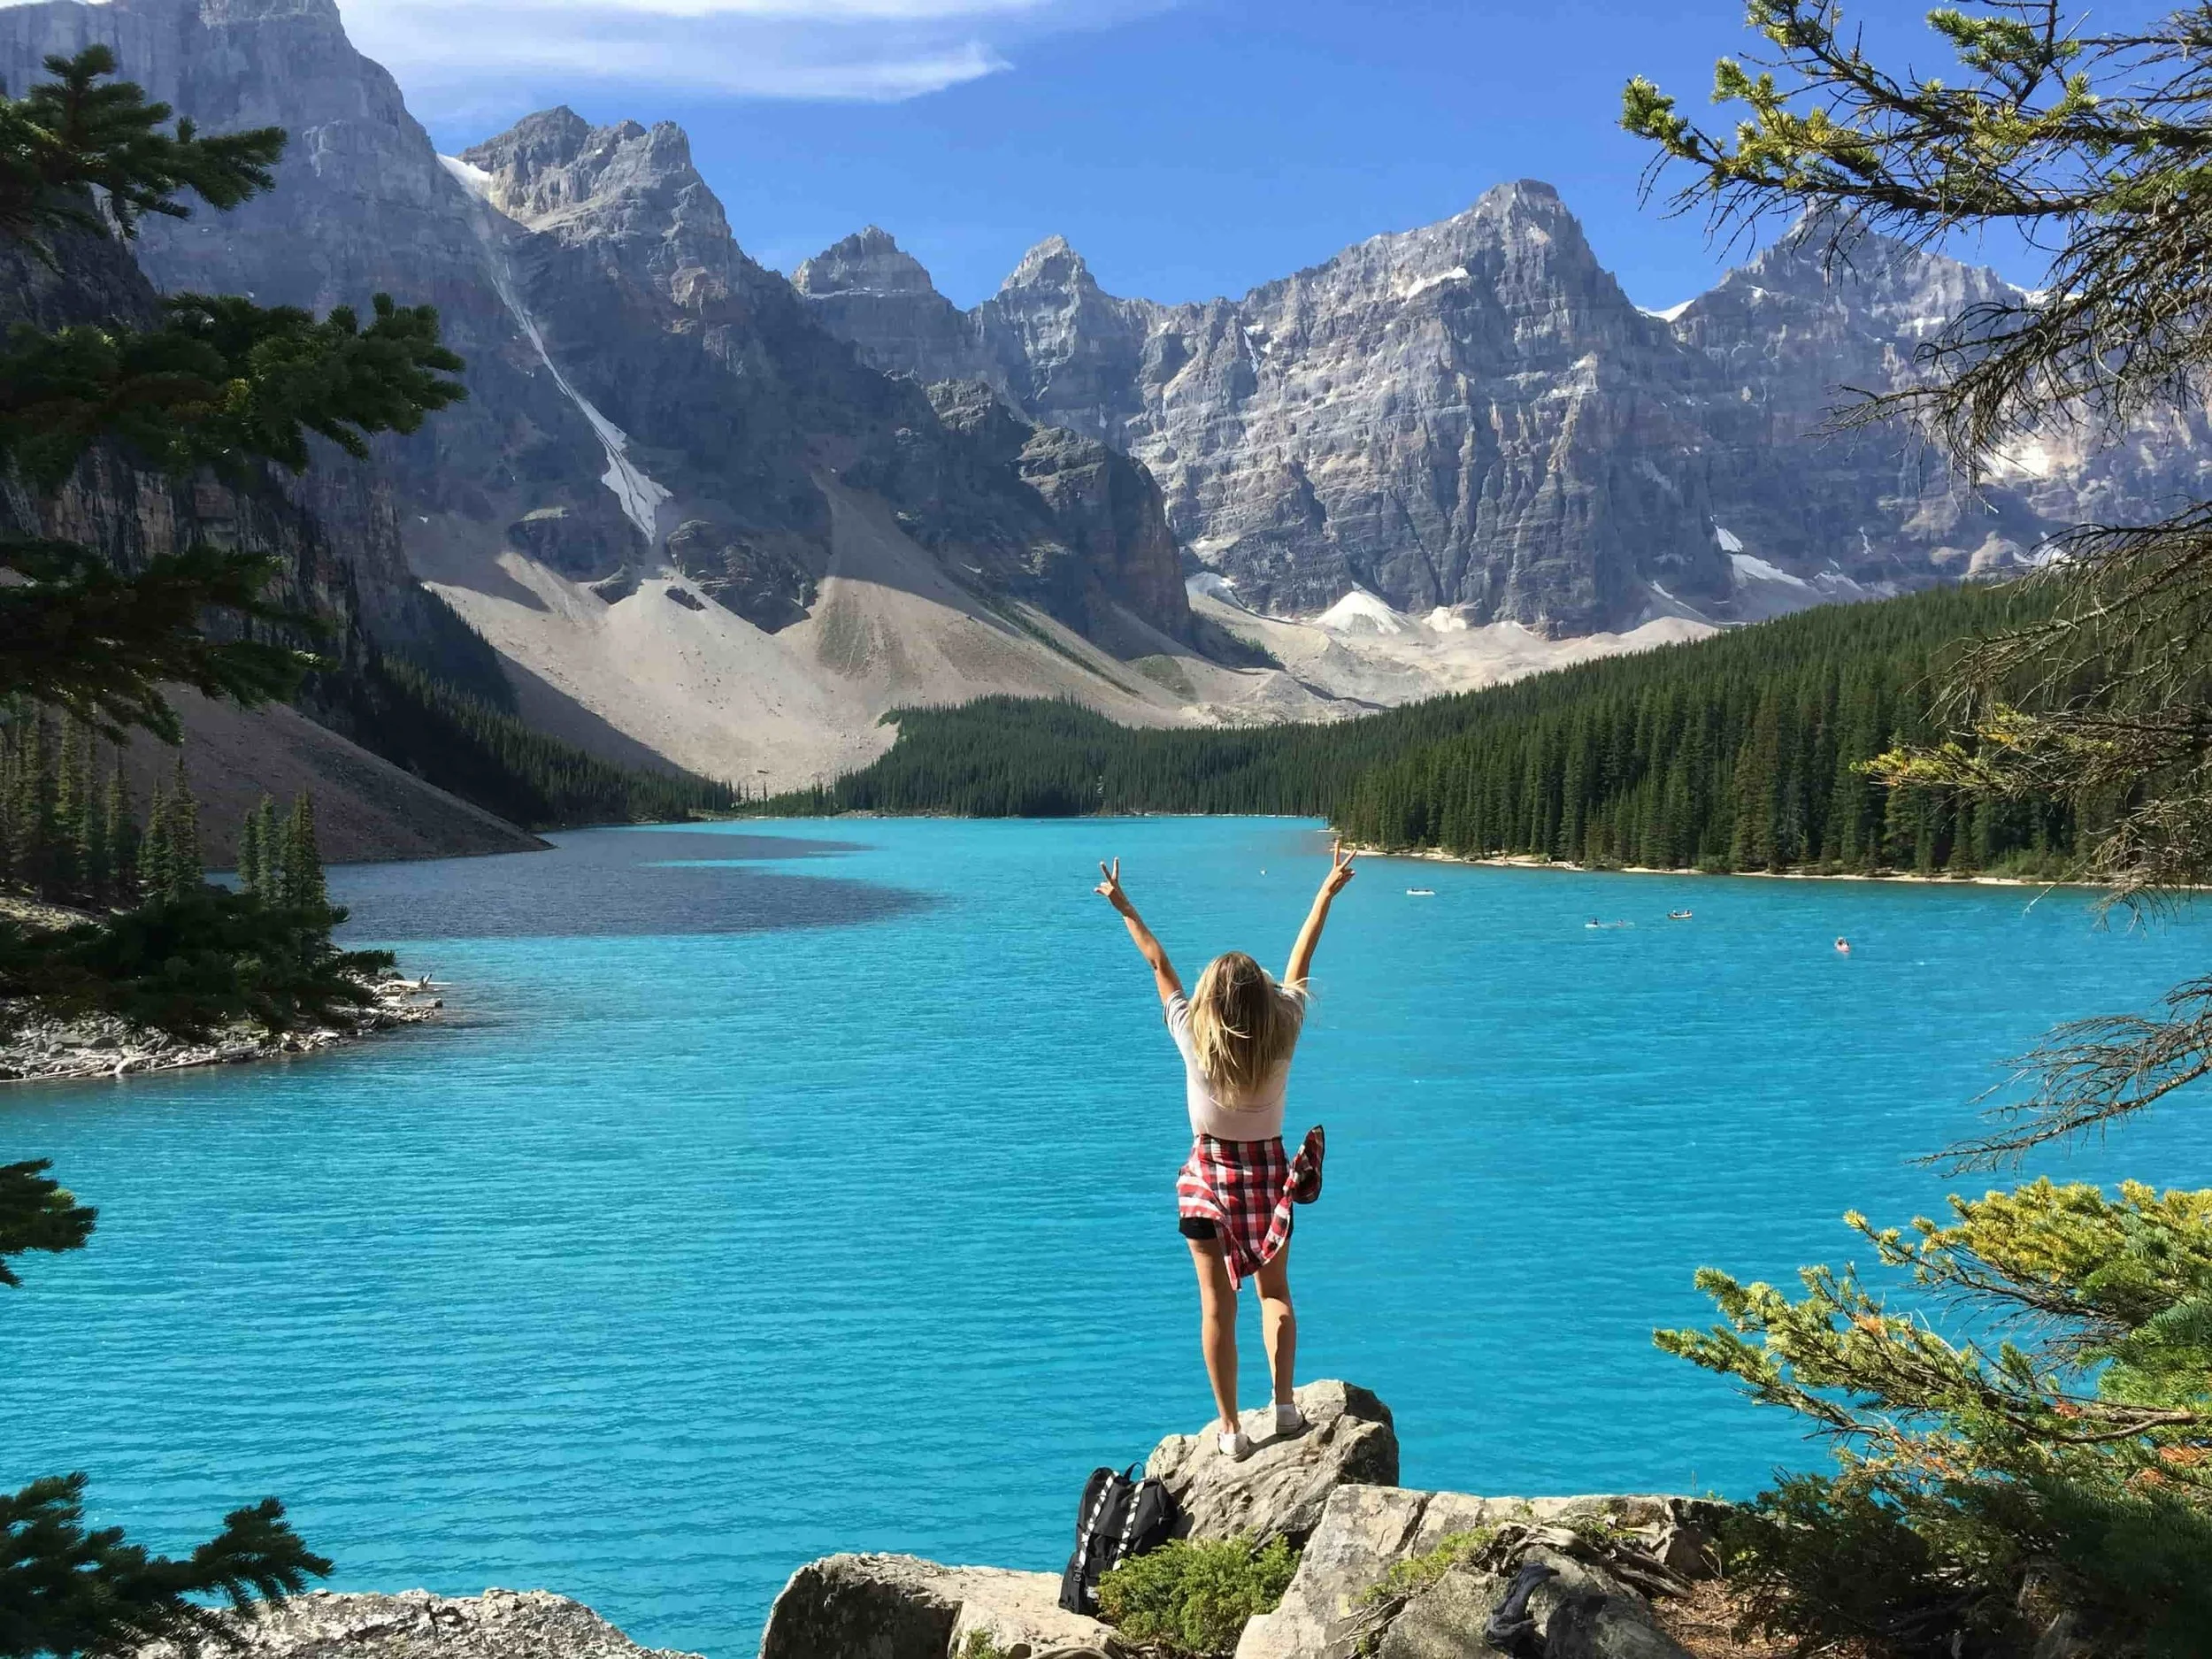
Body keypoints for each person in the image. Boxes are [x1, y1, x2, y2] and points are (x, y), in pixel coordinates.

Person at [1094, 842, 1356, 1462]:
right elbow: (1301, 961)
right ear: (1262, 1001)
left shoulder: (1192, 1035)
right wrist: (1325, 892)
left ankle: (1233, 1429)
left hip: (1210, 1179)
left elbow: (1160, 965)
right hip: (1267, 1174)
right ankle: (1285, 1406)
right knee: (1275, 1292)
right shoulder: (1284, 1028)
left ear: (1211, 1000)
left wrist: (1123, 905)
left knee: (1218, 1305)